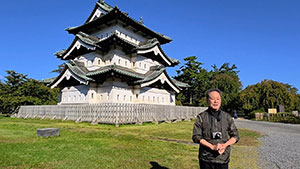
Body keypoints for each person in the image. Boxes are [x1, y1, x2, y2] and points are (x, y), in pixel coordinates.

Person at [192, 89, 239, 169]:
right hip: (206, 158)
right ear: (207, 100)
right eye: (213, 99)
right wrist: (212, 146)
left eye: (218, 99)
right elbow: (196, 137)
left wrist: (225, 145)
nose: (215, 101)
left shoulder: (227, 117)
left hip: (223, 158)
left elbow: (235, 136)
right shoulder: (201, 117)